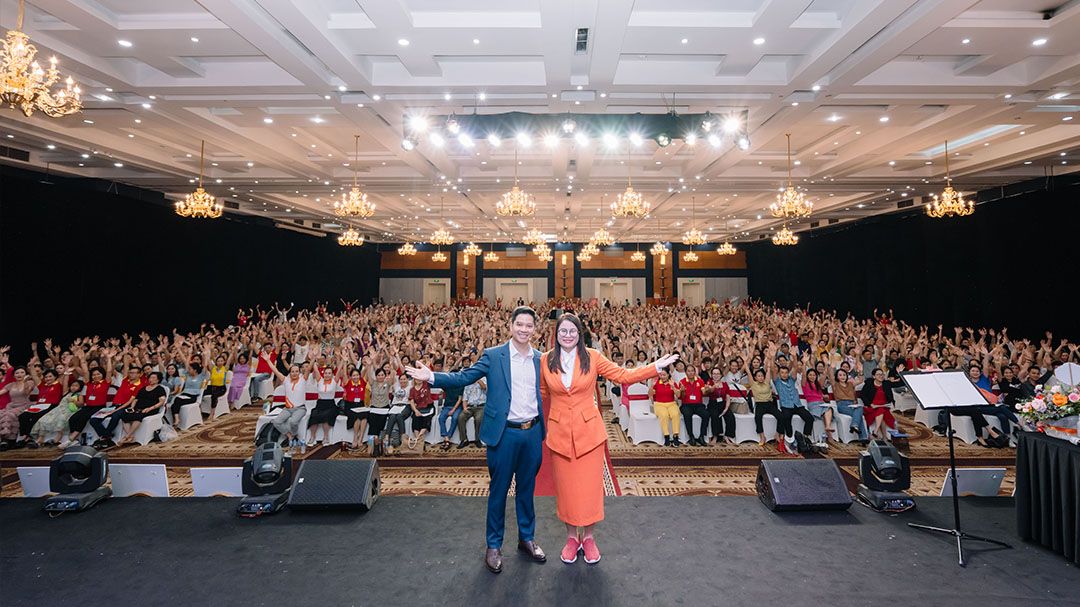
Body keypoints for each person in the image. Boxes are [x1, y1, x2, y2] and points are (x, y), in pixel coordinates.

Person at [405, 306, 548, 575]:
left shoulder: (541, 359)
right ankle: (493, 546)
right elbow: (464, 376)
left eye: (529, 325)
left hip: (531, 433)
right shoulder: (493, 355)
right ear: (510, 326)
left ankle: (527, 538)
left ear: (535, 329)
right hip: (503, 434)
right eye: (519, 324)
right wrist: (432, 376)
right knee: (498, 492)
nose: (524, 329)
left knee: (527, 491)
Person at [539, 312, 675, 565]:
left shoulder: (592, 356)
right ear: (556, 334)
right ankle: (572, 538)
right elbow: (542, 392)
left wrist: (654, 367)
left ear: (580, 334)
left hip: (589, 434)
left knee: (589, 489)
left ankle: (589, 538)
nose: (567, 335)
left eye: (572, 331)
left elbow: (622, 375)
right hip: (559, 434)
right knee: (566, 490)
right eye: (563, 331)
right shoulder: (546, 360)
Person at [118, 372, 167, 445]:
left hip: (151, 409)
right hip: (138, 408)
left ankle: (127, 436)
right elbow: (136, 399)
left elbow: (161, 402)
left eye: (153, 378)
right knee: (124, 415)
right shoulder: (143, 388)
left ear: (158, 380)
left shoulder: (160, 389)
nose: (151, 379)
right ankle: (130, 436)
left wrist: (150, 408)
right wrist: (132, 407)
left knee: (139, 416)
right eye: (150, 377)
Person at [32, 379, 83, 448]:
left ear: (80, 387)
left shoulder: (79, 395)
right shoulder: (67, 393)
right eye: (72, 385)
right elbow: (65, 383)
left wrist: (73, 401)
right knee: (43, 419)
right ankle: (40, 439)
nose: (73, 387)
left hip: (68, 411)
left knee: (61, 419)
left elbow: (81, 404)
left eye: (76, 386)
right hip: (58, 410)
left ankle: (58, 438)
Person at [833, 368, 868, 442]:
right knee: (858, 415)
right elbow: (830, 375)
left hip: (852, 405)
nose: (842, 377)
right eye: (840, 375)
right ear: (837, 377)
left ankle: (855, 426)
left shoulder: (850, 384)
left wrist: (860, 372)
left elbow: (861, 380)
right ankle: (863, 437)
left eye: (844, 375)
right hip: (842, 405)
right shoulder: (835, 384)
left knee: (860, 409)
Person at [649, 367, 681, 446]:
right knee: (664, 415)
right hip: (659, 404)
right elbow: (650, 395)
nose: (662, 377)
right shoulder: (657, 383)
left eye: (664, 375)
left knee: (675, 414)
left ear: (668, 375)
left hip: (671, 403)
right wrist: (651, 386)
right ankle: (666, 436)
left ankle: (675, 436)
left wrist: (673, 387)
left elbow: (678, 395)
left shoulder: (672, 383)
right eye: (661, 375)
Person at [678, 363, 708, 446]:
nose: (691, 373)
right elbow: (681, 397)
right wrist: (682, 391)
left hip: (698, 404)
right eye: (689, 371)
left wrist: (707, 389)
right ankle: (691, 436)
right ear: (685, 372)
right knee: (687, 415)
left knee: (706, 414)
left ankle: (701, 436)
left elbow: (704, 393)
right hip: (686, 405)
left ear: (695, 372)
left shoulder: (700, 381)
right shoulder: (682, 382)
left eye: (692, 371)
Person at [457, 374, 486, 449]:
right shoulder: (467, 383)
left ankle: (478, 439)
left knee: (478, 419)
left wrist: (478, 380)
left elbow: (484, 388)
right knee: (461, 417)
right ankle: (464, 439)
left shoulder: (483, 379)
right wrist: (464, 408)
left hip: (480, 407)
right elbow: (465, 398)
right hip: (469, 407)